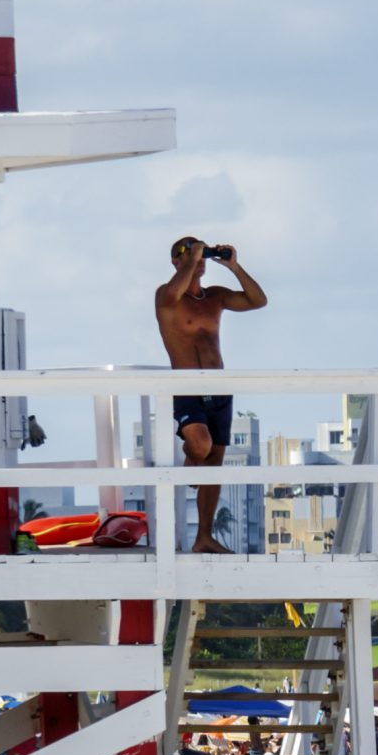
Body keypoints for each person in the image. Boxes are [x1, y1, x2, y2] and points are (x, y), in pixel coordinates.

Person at [155, 237, 268, 553]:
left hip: (219, 388)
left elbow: (258, 301)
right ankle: (191, 451)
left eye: (201, 255)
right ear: (176, 261)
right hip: (187, 387)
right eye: (189, 255)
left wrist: (233, 266)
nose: (198, 260)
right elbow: (174, 293)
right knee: (201, 446)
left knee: (213, 465)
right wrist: (192, 259)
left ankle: (203, 536)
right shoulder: (166, 296)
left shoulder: (215, 297)